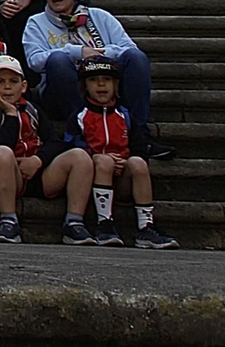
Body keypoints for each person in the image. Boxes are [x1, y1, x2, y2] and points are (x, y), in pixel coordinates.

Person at [0, 51, 95, 244]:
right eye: (0, 82)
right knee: (1, 153)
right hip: (6, 174)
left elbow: (55, 141)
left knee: (80, 156)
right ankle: (8, 220)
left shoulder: (33, 109)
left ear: (24, 86)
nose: (7, 87)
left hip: (37, 171)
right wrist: (10, 115)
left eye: (13, 81)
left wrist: (38, 160)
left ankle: (74, 223)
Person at [22, 0, 157, 149]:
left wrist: (99, 54)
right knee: (58, 59)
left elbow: (129, 48)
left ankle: (139, 133)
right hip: (61, 92)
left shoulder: (100, 16)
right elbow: (34, 61)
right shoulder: (36, 22)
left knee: (136, 58)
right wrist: (77, 52)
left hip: (106, 84)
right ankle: (82, 128)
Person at [63, 55, 177, 248]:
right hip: (93, 177)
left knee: (138, 163)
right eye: (94, 80)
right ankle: (104, 224)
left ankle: (146, 226)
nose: (101, 85)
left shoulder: (125, 116)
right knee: (104, 162)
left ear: (116, 84)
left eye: (106, 80)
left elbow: (139, 148)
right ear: (84, 86)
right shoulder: (80, 117)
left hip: (122, 179)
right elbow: (71, 146)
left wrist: (125, 161)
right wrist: (95, 155)